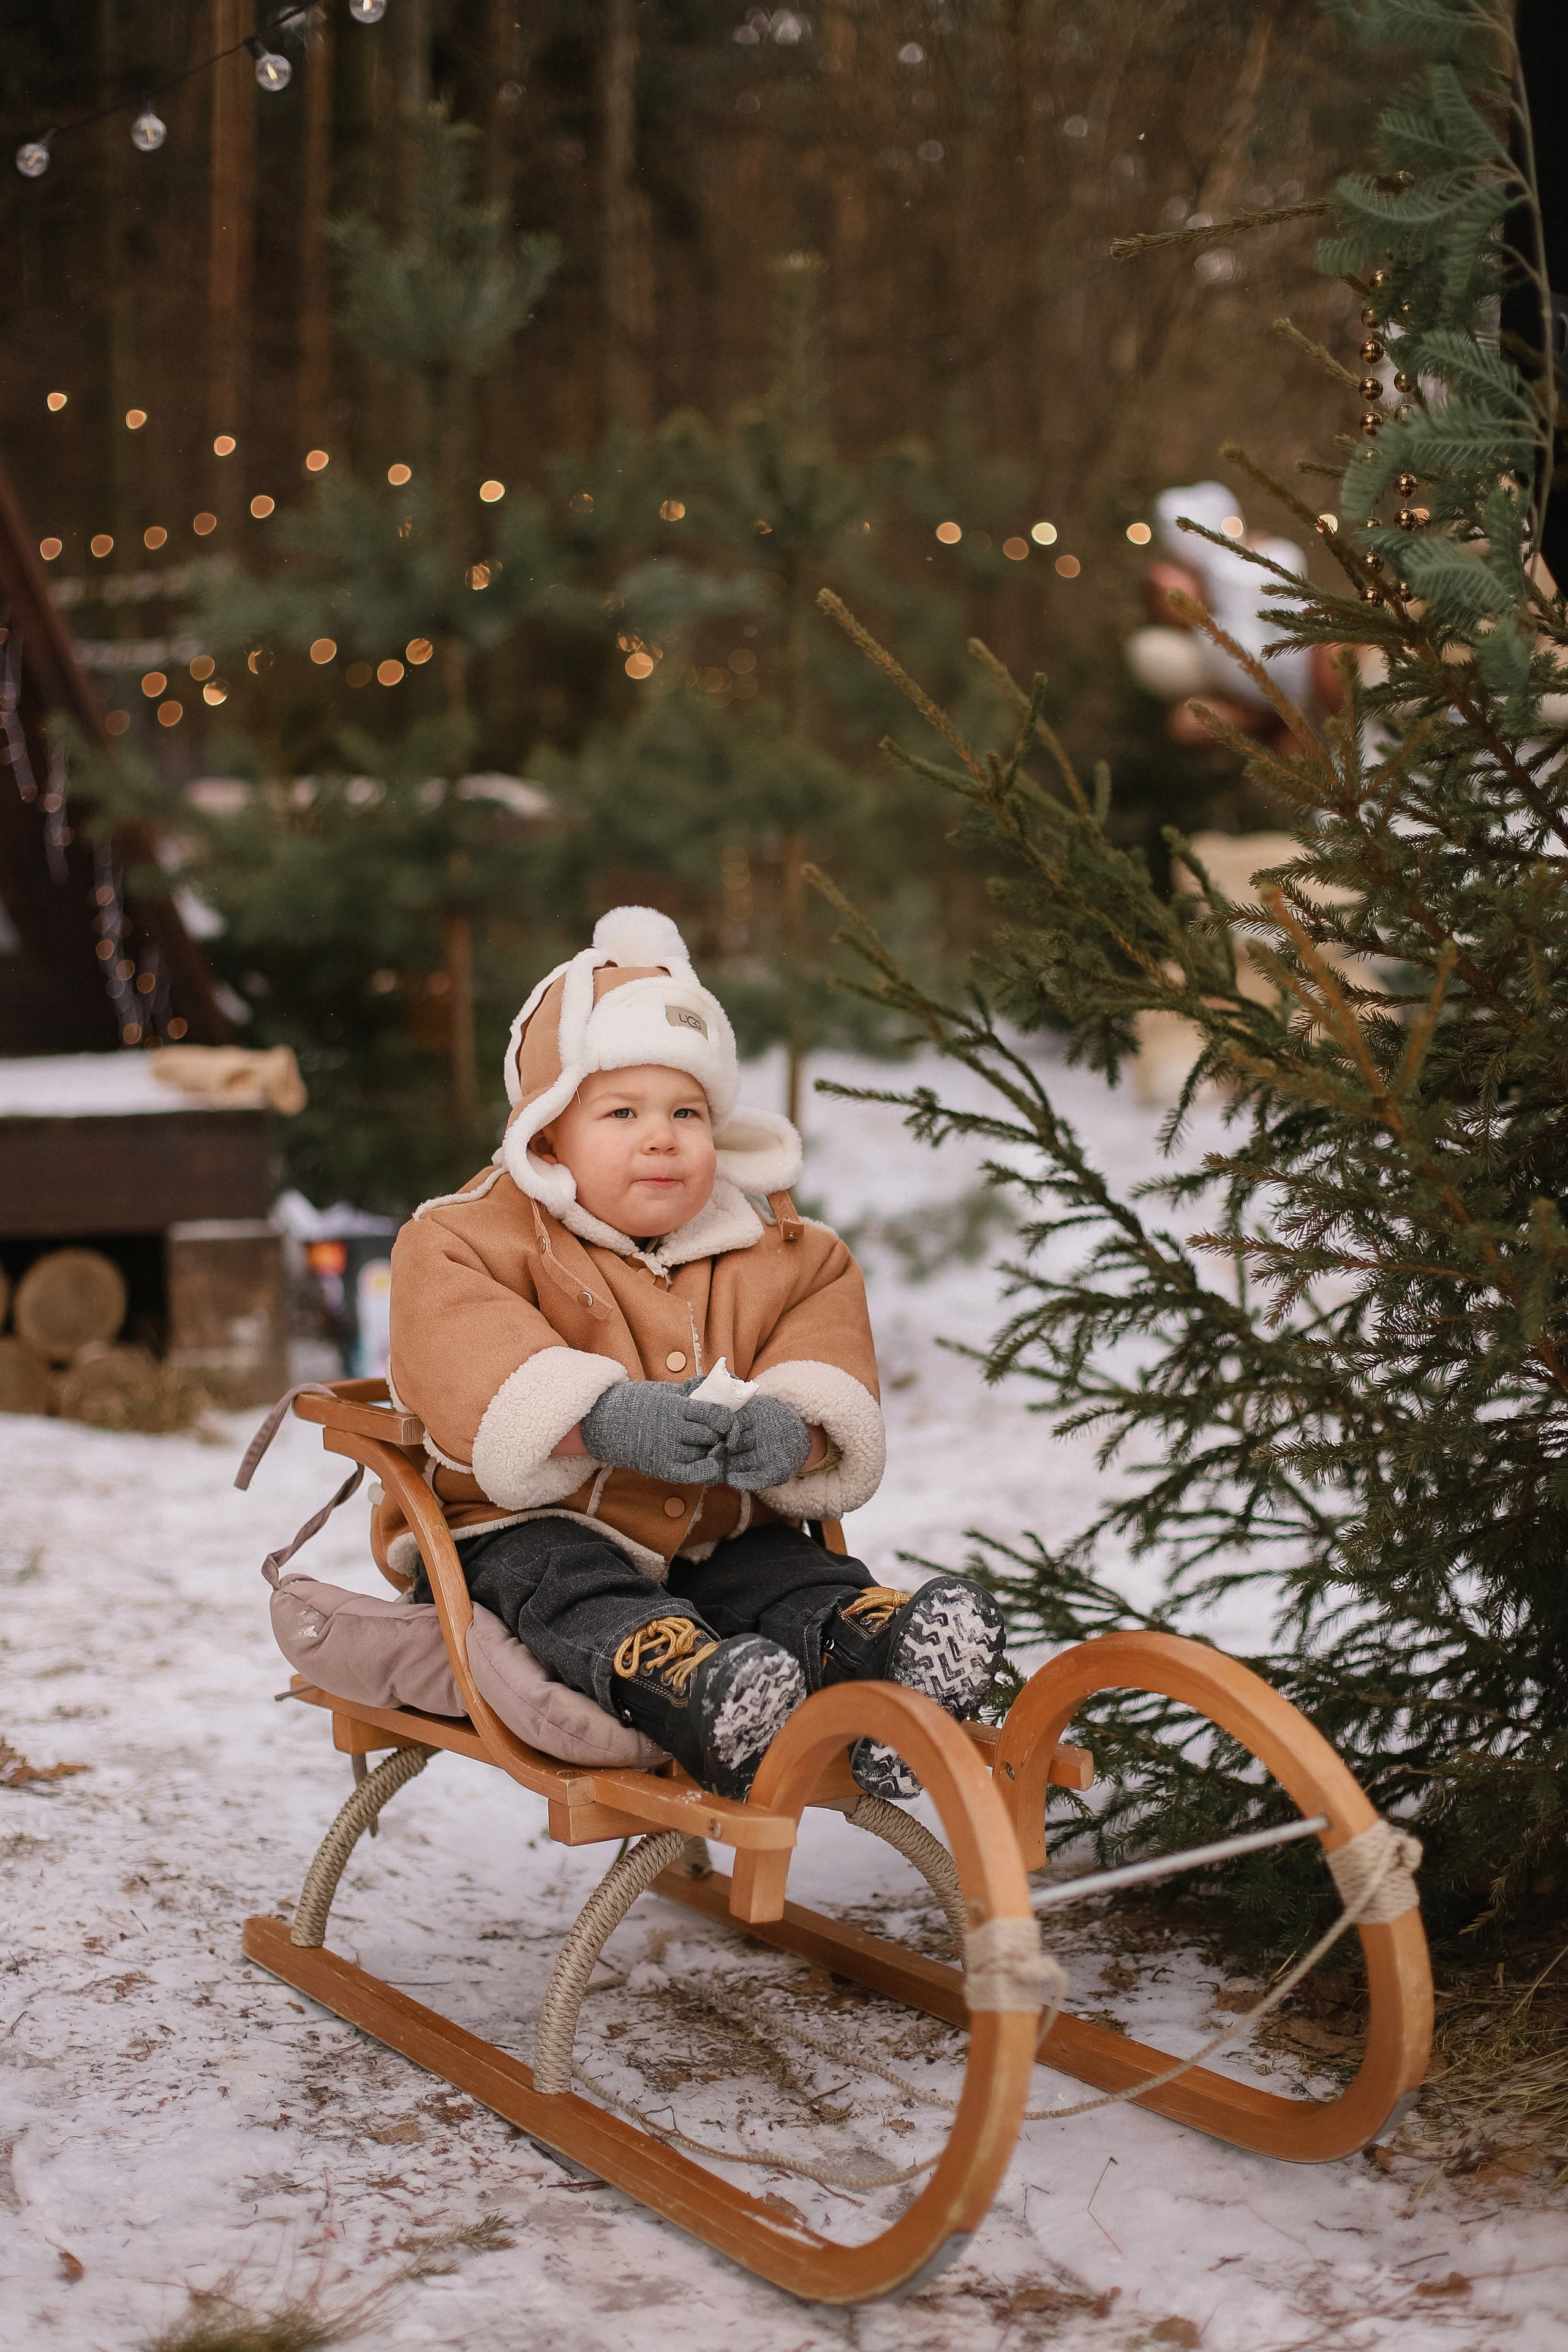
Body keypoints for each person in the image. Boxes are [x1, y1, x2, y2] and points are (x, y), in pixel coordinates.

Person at [385, 906, 1003, 1800]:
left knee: (787, 1568)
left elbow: (823, 1347)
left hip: (719, 1525)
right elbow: (460, 1351)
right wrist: (596, 1417)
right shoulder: (465, 1239)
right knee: (565, 1583)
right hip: (527, 1527)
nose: (662, 1136)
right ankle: (686, 1683)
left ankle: (882, 1656)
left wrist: (797, 1428)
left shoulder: (786, 1249)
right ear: (550, 1132)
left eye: (688, 1111)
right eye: (623, 1111)